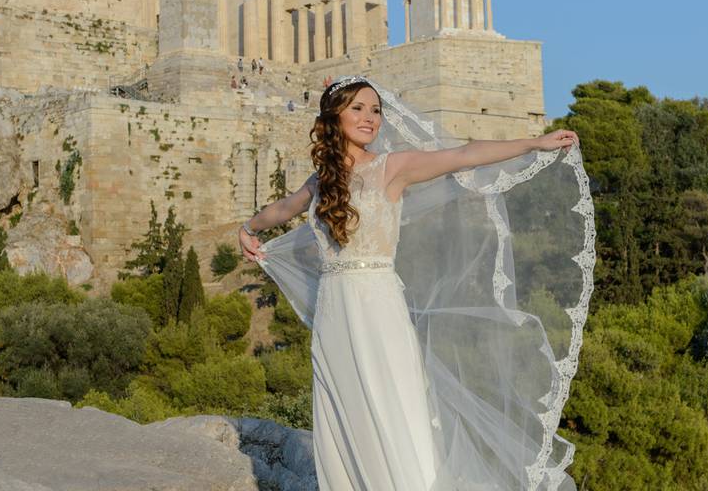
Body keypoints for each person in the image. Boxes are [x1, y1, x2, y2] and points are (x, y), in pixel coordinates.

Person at [237, 75, 595, 490]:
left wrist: (533, 142)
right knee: (343, 406)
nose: (370, 118)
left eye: (375, 110)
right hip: (334, 314)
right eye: (358, 108)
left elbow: (464, 154)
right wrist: (248, 227)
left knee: (392, 407)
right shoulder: (322, 181)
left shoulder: (393, 168)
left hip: (378, 305)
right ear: (333, 117)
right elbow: (284, 208)